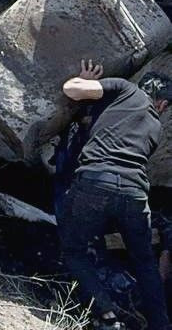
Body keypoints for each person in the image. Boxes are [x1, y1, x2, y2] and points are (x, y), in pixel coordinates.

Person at [58, 60, 172, 330]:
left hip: (95, 182)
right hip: (135, 195)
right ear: (162, 104)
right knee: (144, 262)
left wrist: (84, 79)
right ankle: (161, 324)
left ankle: (106, 313)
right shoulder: (154, 128)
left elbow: (71, 90)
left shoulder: (123, 89)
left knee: (74, 250)